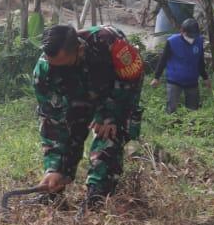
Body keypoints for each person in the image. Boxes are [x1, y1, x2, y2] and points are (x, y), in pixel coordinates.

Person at [34, 24, 145, 207]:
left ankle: (97, 195)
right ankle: (55, 188)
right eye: (54, 65)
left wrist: (111, 113)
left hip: (115, 90)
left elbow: (131, 81)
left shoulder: (110, 43)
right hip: (77, 94)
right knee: (70, 128)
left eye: (65, 65)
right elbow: (52, 122)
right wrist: (54, 167)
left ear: (80, 49)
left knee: (108, 132)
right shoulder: (45, 71)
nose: (60, 71)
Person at [152, 17, 210, 113]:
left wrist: (205, 78)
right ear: (182, 31)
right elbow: (163, 60)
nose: (191, 38)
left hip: (192, 80)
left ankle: (190, 127)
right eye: (189, 35)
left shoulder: (199, 41)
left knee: (193, 109)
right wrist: (156, 77)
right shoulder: (172, 41)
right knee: (171, 109)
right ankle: (170, 126)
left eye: (194, 36)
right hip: (174, 80)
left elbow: (200, 60)